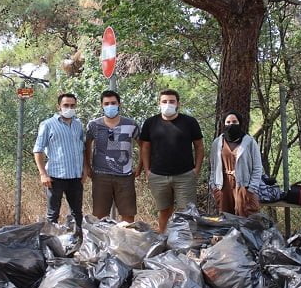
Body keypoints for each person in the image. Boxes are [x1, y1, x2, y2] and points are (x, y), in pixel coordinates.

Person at [139, 89, 204, 233]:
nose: (168, 104)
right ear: (159, 103)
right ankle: (163, 240)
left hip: (185, 175)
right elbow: (145, 148)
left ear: (178, 103)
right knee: (164, 211)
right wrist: (147, 171)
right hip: (158, 175)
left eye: (171, 101)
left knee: (187, 213)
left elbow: (199, 146)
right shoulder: (150, 123)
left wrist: (196, 170)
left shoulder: (189, 122)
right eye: (164, 101)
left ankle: (185, 245)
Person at [33, 93, 87, 228]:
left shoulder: (78, 125)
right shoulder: (48, 124)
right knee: (53, 214)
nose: (69, 108)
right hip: (55, 177)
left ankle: (77, 243)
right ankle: (51, 245)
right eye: (66, 105)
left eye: (72, 105)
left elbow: (83, 148)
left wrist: (85, 169)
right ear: (59, 107)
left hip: (75, 176)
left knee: (77, 213)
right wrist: (43, 174)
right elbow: (38, 150)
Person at [85, 90, 140, 222]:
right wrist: (87, 167)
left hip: (125, 176)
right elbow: (86, 146)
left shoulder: (131, 124)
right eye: (107, 103)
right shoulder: (93, 125)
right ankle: (102, 242)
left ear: (119, 104)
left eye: (113, 103)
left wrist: (140, 167)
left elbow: (144, 145)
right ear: (102, 105)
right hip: (100, 176)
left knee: (128, 215)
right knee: (99, 216)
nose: (110, 106)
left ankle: (125, 241)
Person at [208, 110, 262, 217]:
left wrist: (251, 189)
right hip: (223, 186)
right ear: (224, 124)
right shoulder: (218, 143)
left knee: (246, 218)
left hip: (243, 186)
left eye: (234, 122)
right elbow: (213, 166)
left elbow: (257, 167)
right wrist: (213, 186)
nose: (231, 125)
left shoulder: (250, 142)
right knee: (226, 219)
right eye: (228, 122)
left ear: (240, 123)